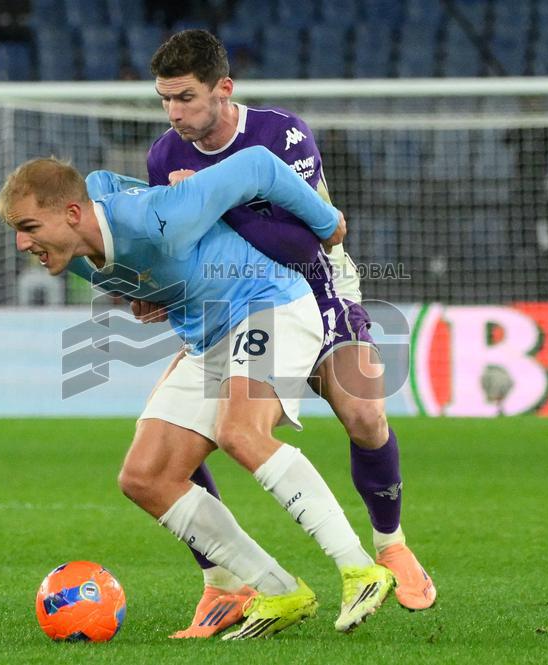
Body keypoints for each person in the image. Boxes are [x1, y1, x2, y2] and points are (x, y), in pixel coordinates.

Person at [0, 146, 395, 639]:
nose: (20, 243)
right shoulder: (76, 243)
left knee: (240, 433)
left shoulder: (157, 217)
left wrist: (325, 219)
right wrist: (140, 288)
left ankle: (359, 568)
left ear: (71, 215)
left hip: (271, 306)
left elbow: (259, 167)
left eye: (29, 227)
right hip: (208, 339)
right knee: (145, 477)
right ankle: (277, 589)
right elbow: (97, 181)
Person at [139, 29, 436, 637]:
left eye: (186, 98)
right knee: (180, 429)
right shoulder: (164, 156)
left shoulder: (281, 135)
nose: (174, 114)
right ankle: (221, 580)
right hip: (232, 306)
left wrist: (208, 201)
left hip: (320, 293)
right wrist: (154, 287)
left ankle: (390, 544)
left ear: (225, 90)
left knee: (365, 415)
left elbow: (302, 241)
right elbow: (175, 246)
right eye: (165, 99)